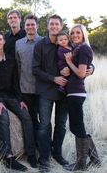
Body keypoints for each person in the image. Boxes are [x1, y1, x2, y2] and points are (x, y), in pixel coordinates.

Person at [0, 31, 37, 171]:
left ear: (4, 42)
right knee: (4, 118)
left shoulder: (12, 59)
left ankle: (31, 154)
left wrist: (20, 100)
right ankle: (7, 156)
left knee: (26, 116)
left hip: (12, 96)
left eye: (1, 39)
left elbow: (15, 83)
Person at [32, 14, 70, 171]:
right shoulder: (40, 45)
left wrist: (91, 68)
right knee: (44, 126)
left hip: (65, 92)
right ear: (47, 26)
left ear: (61, 26)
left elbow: (84, 57)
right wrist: (53, 78)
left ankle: (58, 154)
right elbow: (35, 69)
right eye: (51, 24)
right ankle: (44, 159)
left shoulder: (68, 44)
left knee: (61, 125)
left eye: (57, 24)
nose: (54, 26)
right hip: (46, 91)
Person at [64, 24, 101, 171]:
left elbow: (80, 73)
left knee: (76, 127)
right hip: (73, 92)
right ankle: (95, 159)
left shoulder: (84, 48)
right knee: (78, 126)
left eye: (78, 32)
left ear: (83, 34)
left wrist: (69, 63)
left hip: (76, 92)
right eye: (72, 33)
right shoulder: (77, 48)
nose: (74, 35)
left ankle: (81, 164)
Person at [15, 14, 42, 135]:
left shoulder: (44, 42)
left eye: (32, 24)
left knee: (44, 121)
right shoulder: (18, 44)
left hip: (42, 89)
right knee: (30, 120)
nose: (30, 27)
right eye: (28, 25)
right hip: (25, 89)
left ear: (37, 26)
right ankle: (34, 147)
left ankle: (45, 148)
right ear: (24, 27)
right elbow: (18, 66)